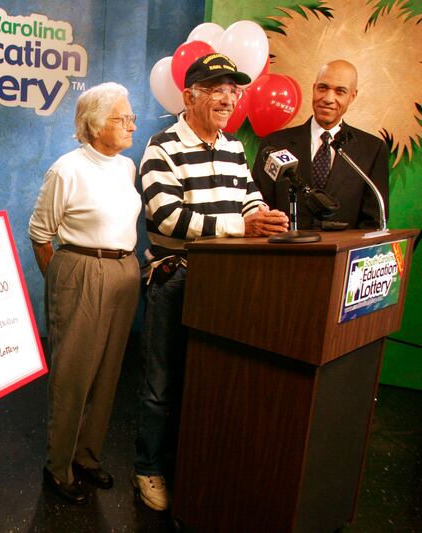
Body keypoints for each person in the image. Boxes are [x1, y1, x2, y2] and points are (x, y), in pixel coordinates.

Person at [134, 53, 289, 512]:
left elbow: (249, 197)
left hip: (226, 282)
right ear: (189, 97)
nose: (229, 99)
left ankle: (190, 464)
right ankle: (148, 468)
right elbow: (167, 217)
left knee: (205, 380)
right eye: (218, 90)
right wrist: (241, 227)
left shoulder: (234, 147)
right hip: (176, 279)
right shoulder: (161, 147)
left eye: (234, 91)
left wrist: (263, 216)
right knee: (160, 385)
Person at [29, 82, 141, 505]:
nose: (132, 125)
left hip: (125, 269)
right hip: (82, 268)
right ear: (95, 125)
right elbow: (40, 234)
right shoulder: (66, 170)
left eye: (131, 117)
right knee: (73, 376)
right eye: (122, 118)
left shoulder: (126, 167)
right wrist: (64, 283)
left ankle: (87, 456)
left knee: (109, 372)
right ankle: (58, 467)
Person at [253, 59, 389, 229]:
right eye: (323, 88)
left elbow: (373, 221)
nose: (328, 98)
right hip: (286, 244)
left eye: (340, 91)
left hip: (344, 245)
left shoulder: (372, 149)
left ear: (352, 96)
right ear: (314, 88)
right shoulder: (275, 144)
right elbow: (259, 208)